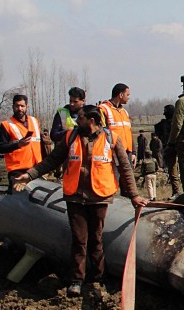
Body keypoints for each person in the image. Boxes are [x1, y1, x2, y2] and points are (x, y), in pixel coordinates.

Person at [13, 104, 147, 296]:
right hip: (75, 196)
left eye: (81, 118)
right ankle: (76, 280)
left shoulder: (111, 139)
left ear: (91, 121)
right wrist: (29, 175)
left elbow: (125, 169)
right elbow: (51, 161)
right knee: (79, 240)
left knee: (96, 240)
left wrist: (134, 195)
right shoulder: (70, 137)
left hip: (99, 196)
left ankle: (98, 279)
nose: (77, 121)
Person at [0, 94, 43, 189]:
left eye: (22, 106)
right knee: (19, 197)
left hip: (36, 168)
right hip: (17, 169)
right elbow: (1, 148)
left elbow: (40, 144)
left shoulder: (34, 121)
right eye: (17, 106)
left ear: (27, 106)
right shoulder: (6, 125)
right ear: (13, 107)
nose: (19, 108)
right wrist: (18, 144)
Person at [100, 83, 135, 166]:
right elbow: (101, 133)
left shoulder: (124, 112)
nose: (129, 97)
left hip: (127, 153)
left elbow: (129, 133)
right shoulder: (103, 109)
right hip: (113, 153)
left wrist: (133, 152)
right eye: (127, 95)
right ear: (121, 95)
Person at [153, 104, 180, 196]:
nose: (164, 113)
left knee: (174, 172)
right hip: (174, 148)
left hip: (173, 148)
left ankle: (177, 191)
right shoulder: (173, 122)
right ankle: (177, 191)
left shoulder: (173, 123)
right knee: (174, 172)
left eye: (165, 111)